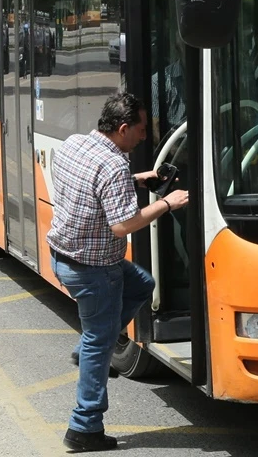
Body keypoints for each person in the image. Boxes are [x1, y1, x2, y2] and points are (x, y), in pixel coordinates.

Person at [47, 92, 189, 453]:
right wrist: (166, 202)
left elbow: (97, 182)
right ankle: (84, 428)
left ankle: (88, 348)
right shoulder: (112, 167)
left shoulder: (76, 144)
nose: (145, 136)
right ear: (123, 128)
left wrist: (138, 179)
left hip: (63, 257)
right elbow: (123, 225)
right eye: (141, 129)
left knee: (142, 284)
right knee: (99, 345)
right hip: (94, 270)